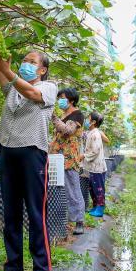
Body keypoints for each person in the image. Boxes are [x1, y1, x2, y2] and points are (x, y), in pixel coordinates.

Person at [0, 46, 57, 271]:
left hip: (32, 152)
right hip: (7, 150)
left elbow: (31, 94)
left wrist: (8, 73)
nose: (25, 64)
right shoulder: (13, 89)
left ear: (42, 69)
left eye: (31, 61)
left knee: (36, 211)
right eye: (23, 60)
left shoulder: (48, 87)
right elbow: (3, 77)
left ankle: (41, 269)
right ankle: (13, 265)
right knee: (11, 211)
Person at [51, 87, 86, 235]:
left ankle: (79, 221)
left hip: (70, 157)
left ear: (71, 100)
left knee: (73, 188)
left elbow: (67, 131)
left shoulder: (77, 115)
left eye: (62, 97)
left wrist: (52, 117)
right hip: (57, 156)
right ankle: (63, 220)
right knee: (59, 188)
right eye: (59, 97)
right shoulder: (64, 115)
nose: (60, 100)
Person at [83, 111, 108, 217]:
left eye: (87, 118)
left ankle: (100, 208)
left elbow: (96, 150)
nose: (86, 120)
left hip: (98, 167)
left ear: (93, 122)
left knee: (98, 188)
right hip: (92, 167)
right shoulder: (91, 132)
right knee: (92, 188)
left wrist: (84, 156)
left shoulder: (96, 134)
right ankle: (95, 206)